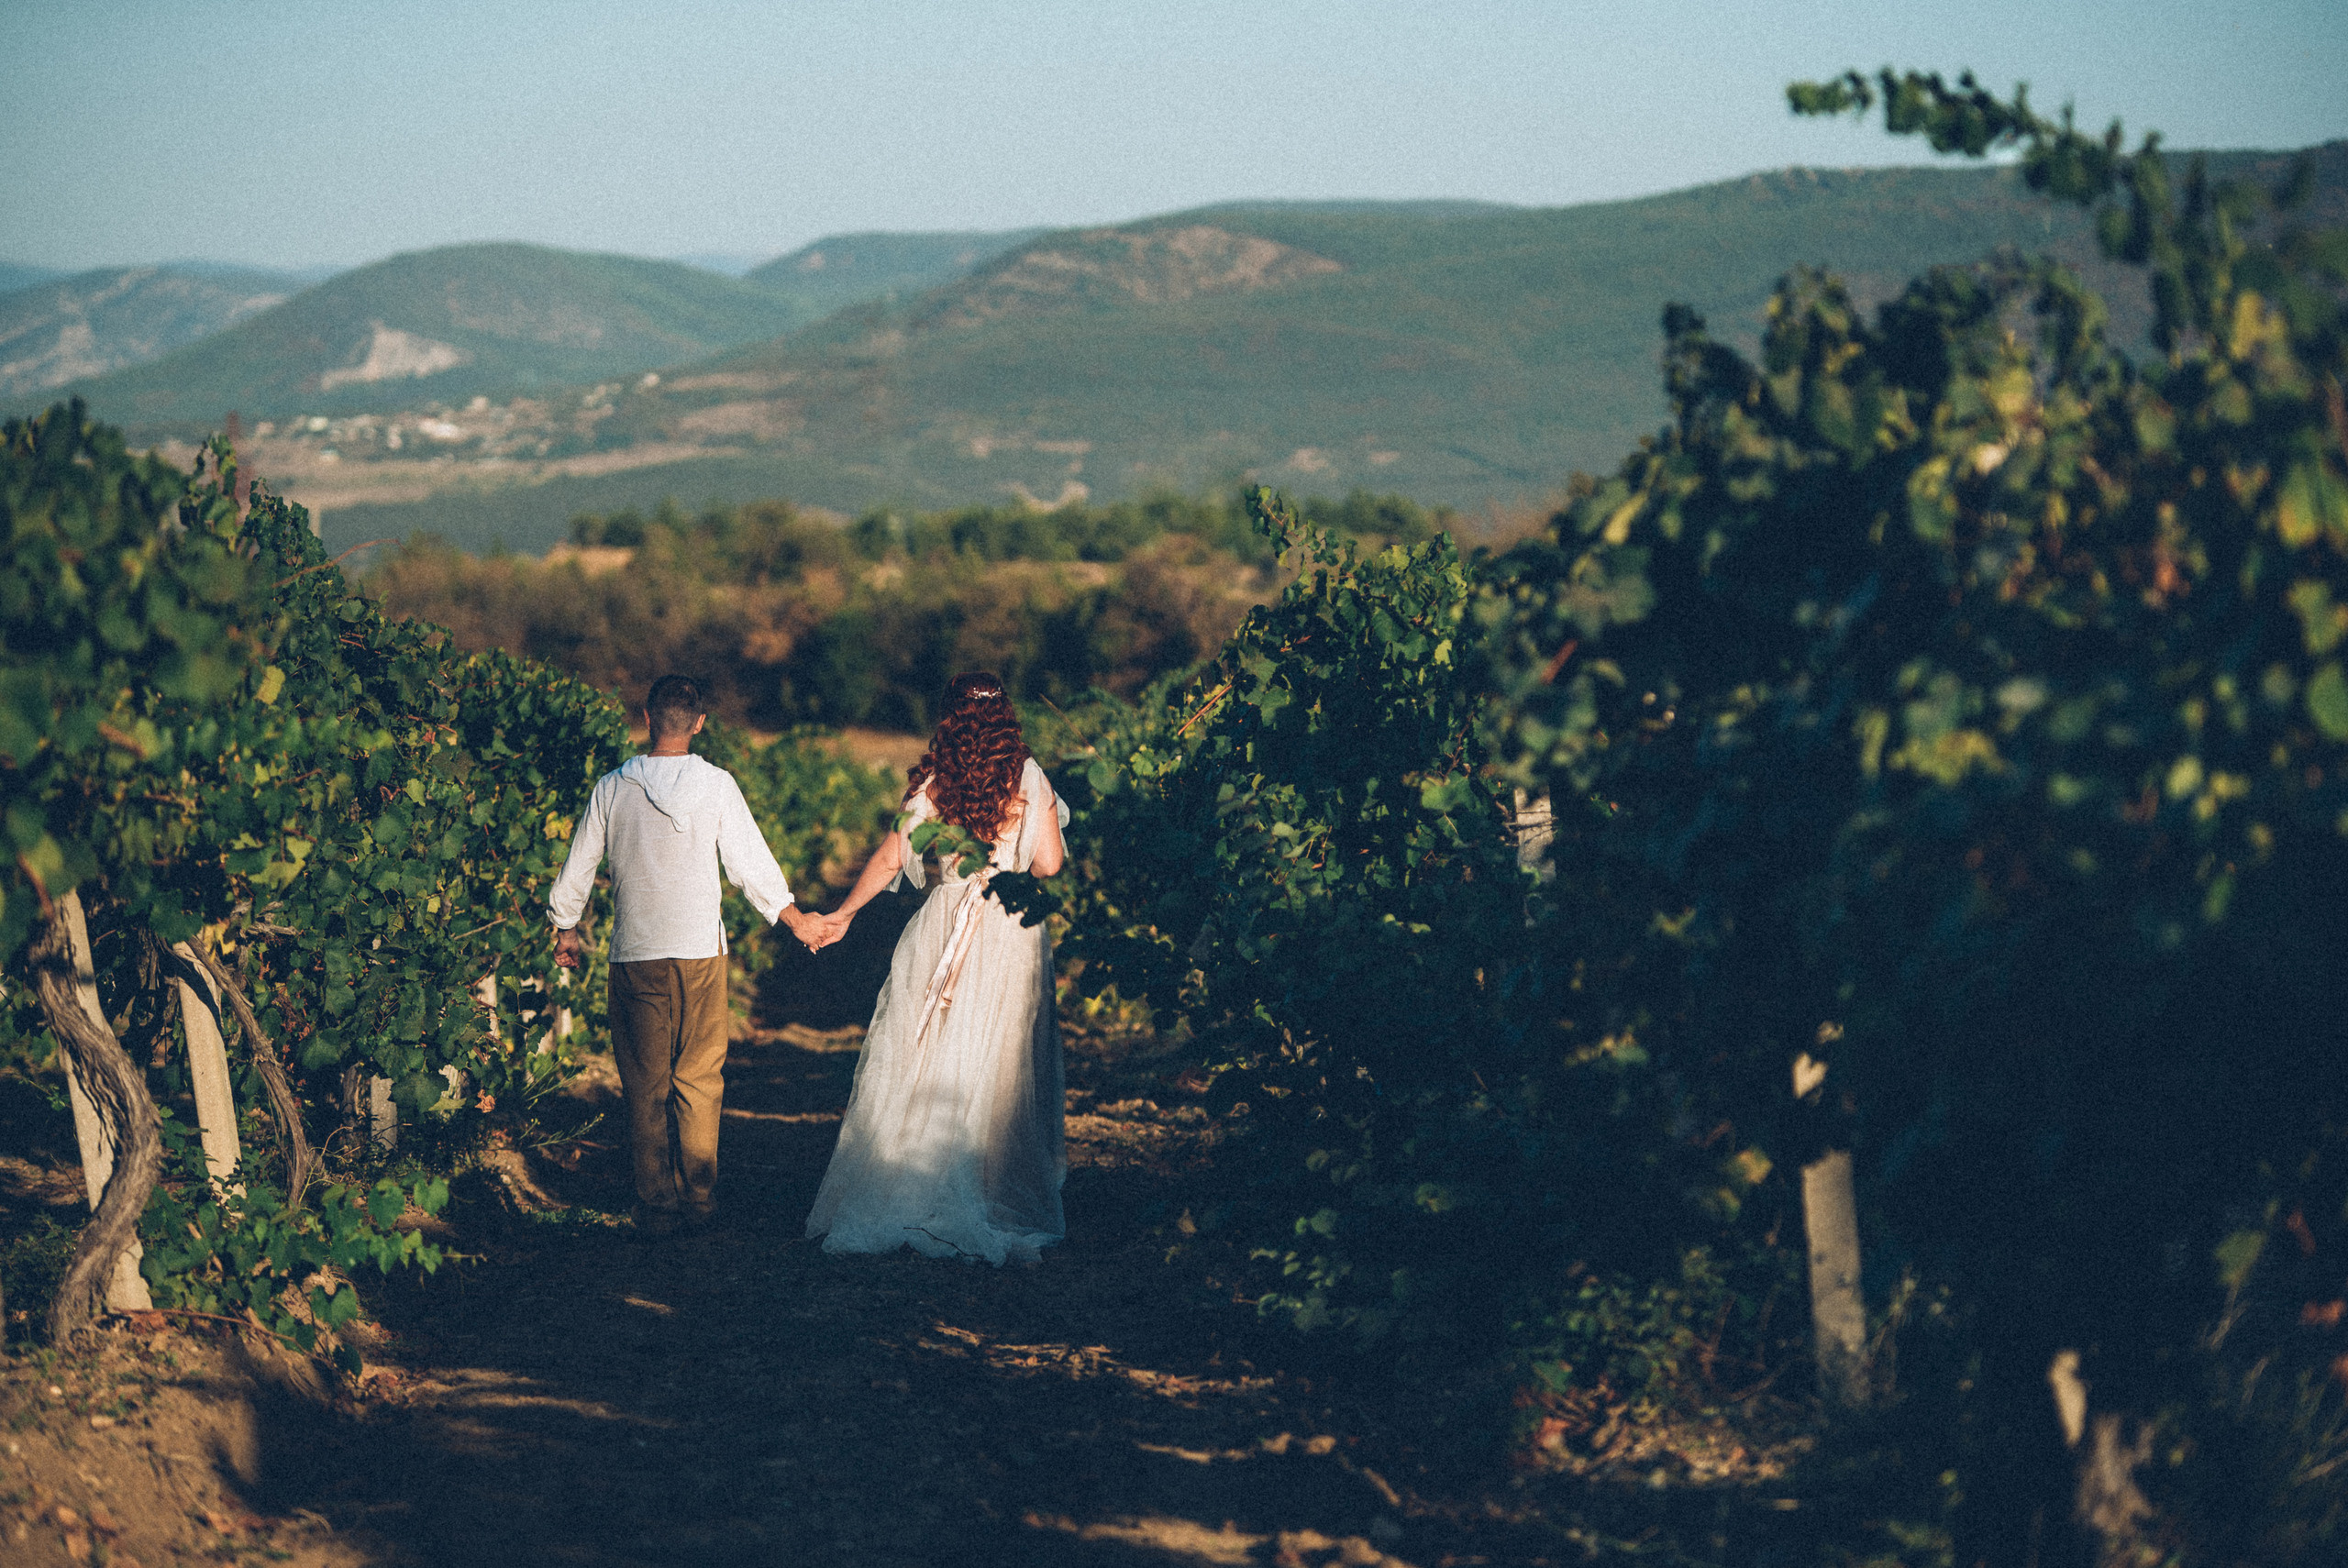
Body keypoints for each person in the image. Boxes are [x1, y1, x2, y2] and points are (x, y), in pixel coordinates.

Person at [803, 672, 1069, 1264]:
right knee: (1001, 1060)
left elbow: (893, 853)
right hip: (1010, 924)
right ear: (1007, 717)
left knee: (925, 1048)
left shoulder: (933, 781)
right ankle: (989, 1191)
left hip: (944, 917)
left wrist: (845, 912)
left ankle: (910, 1176)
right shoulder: (1029, 776)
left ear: (948, 717)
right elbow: (1049, 865)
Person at [548, 675, 826, 1237]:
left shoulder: (612, 787)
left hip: (636, 954)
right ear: (700, 724)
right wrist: (794, 919)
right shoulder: (717, 785)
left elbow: (580, 865)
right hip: (701, 953)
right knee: (699, 1077)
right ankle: (700, 1199)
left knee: (644, 1082)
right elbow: (749, 862)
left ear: (646, 718)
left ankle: (656, 1208)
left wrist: (566, 928)